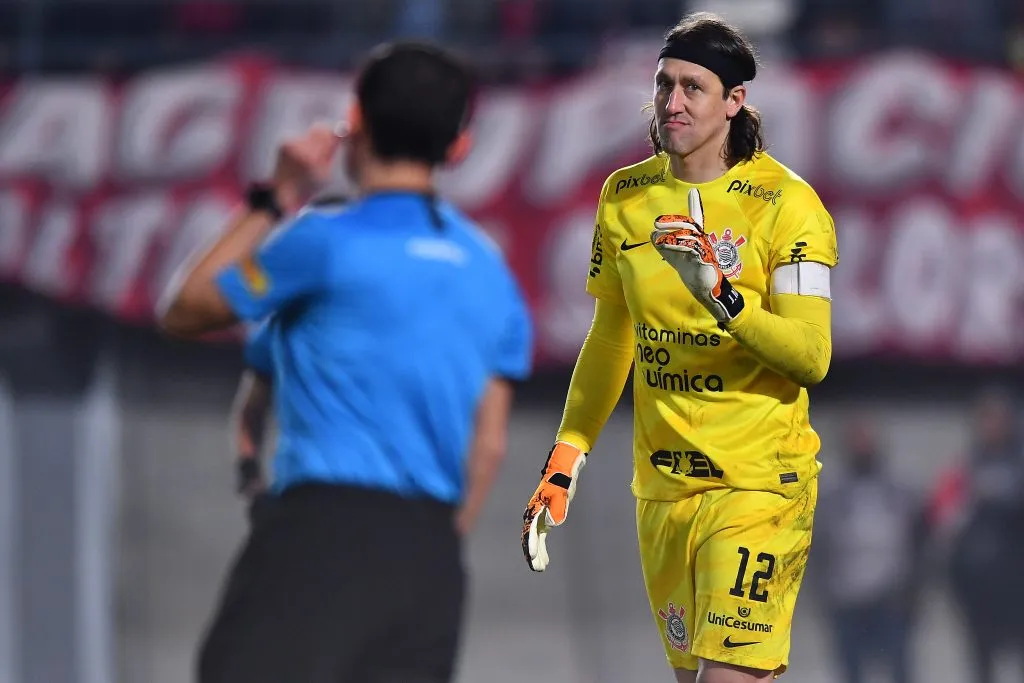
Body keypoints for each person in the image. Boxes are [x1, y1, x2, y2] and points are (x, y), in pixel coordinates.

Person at [157, 41, 533, 683]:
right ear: (459, 147)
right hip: (431, 563)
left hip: (321, 535)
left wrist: (279, 192)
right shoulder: (491, 274)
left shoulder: (321, 241)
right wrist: (435, 547)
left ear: (355, 122)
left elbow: (186, 309)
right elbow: (489, 445)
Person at [521, 12, 837, 683]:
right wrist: (567, 453)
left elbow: (812, 356)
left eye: (694, 87)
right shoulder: (625, 197)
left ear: (734, 100)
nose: (673, 101)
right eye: (665, 83)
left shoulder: (788, 205)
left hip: (757, 486)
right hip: (664, 490)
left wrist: (723, 296)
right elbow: (613, 335)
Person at [813, 414, 926, 683]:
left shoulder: (900, 488)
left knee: (899, 669)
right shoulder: (831, 491)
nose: (862, 445)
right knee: (852, 670)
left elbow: (919, 540)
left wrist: (915, 590)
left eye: (867, 439)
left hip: (891, 597)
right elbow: (819, 547)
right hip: (846, 599)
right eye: (856, 439)